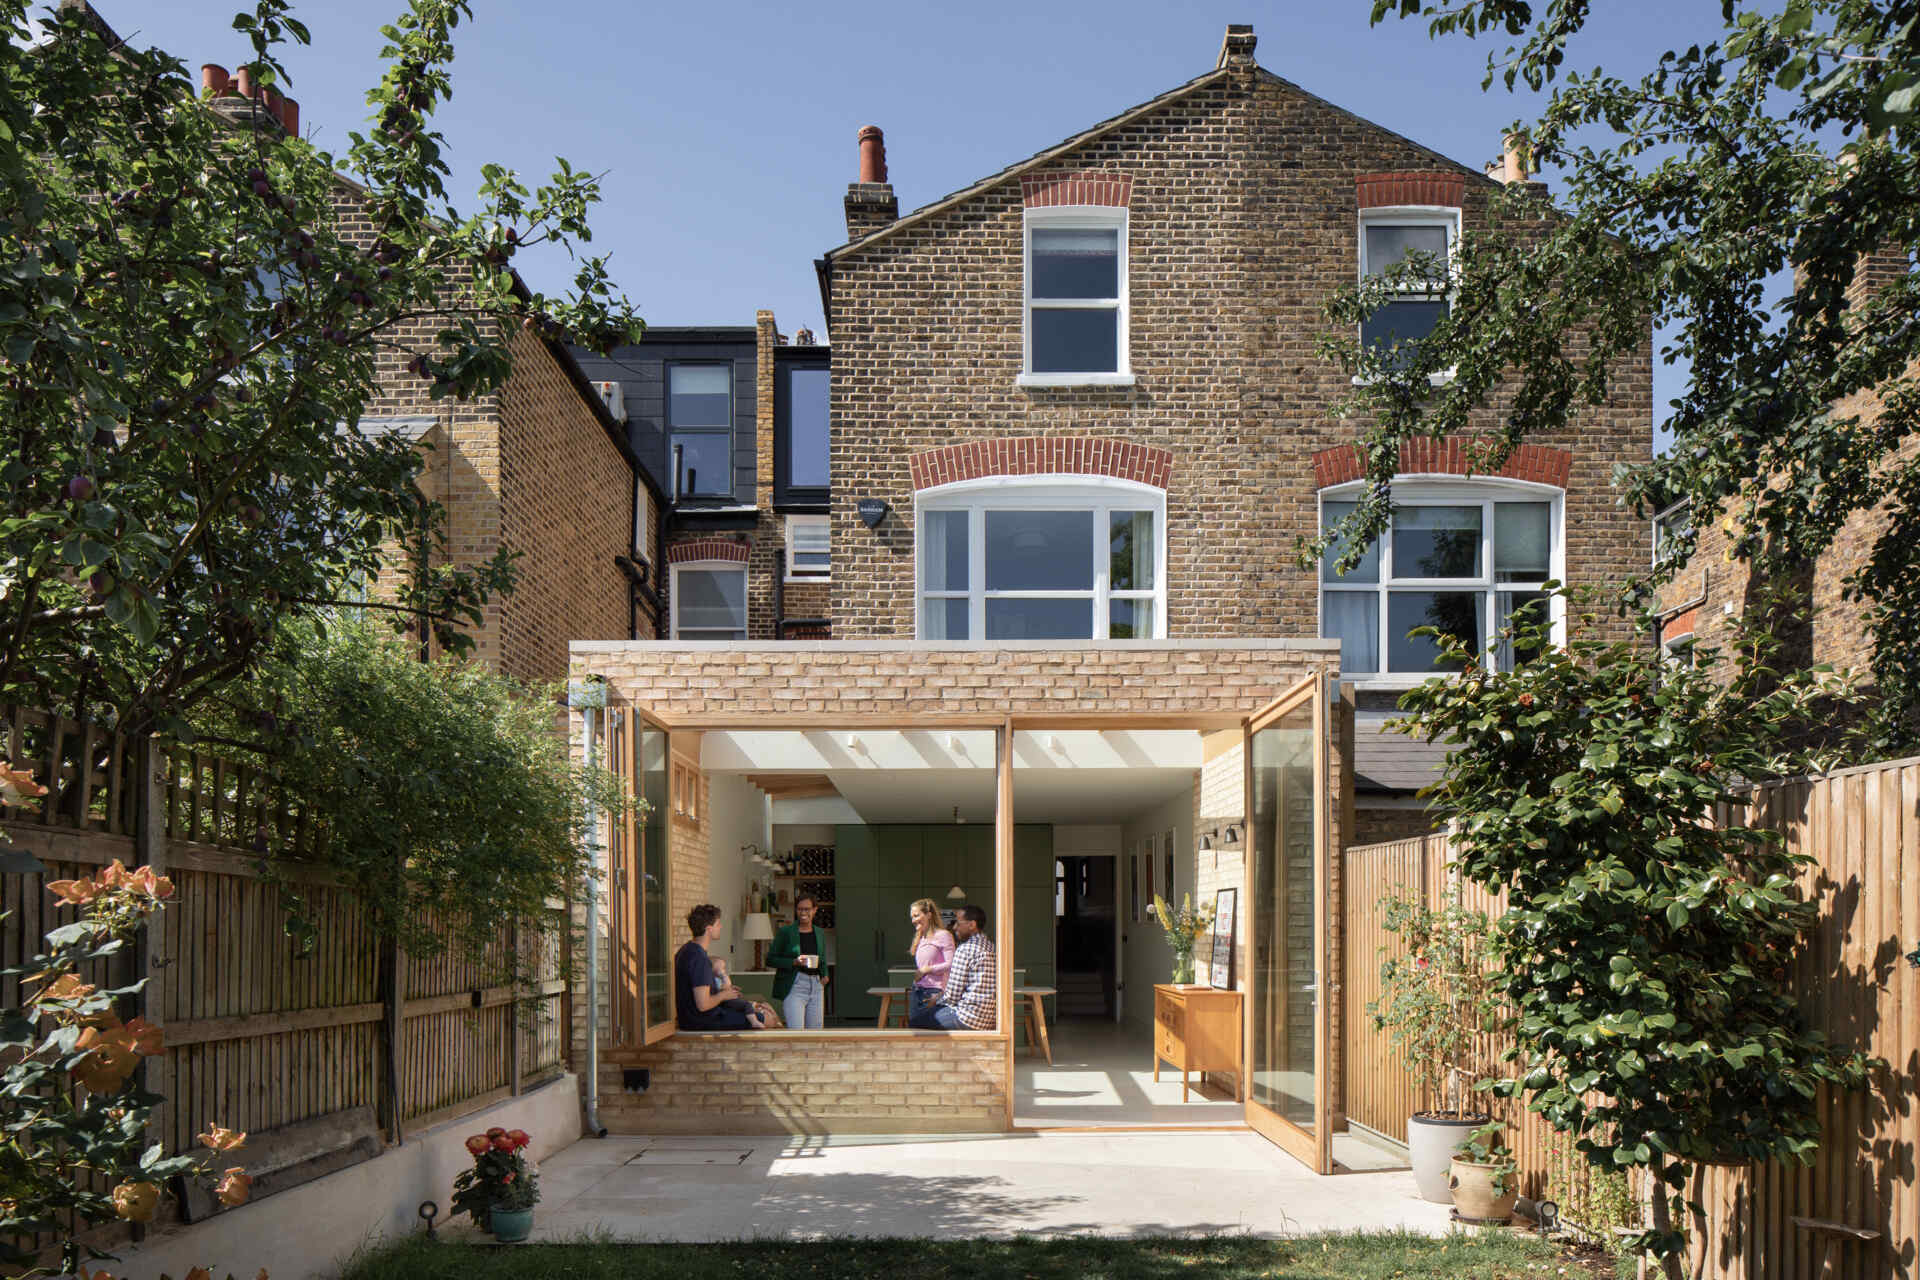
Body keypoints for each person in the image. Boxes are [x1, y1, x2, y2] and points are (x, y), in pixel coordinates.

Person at [674, 904, 768, 1030]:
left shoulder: (686, 950)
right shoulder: (699, 958)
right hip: (701, 1021)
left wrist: (723, 991)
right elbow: (703, 1004)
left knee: (757, 1009)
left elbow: (697, 991)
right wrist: (723, 995)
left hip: (691, 1018)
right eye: (718, 924)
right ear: (709, 929)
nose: (721, 927)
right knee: (765, 1018)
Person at [908, 904, 995, 1031]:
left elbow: (952, 995)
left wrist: (935, 1000)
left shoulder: (965, 949)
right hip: (989, 1018)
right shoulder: (991, 947)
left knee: (915, 1022)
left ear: (972, 925)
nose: (954, 927)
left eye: (958, 923)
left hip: (968, 1017)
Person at [767, 893, 832, 1029]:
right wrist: (794, 962)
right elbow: (770, 959)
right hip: (794, 985)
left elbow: (822, 959)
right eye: (800, 909)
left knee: (815, 1033)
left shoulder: (819, 932)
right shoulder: (786, 932)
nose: (803, 912)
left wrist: (825, 974)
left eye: (807, 909)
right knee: (796, 1031)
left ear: (814, 910)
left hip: (816, 986)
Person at [905, 897, 955, 1025]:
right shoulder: (920, 937)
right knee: (915, 1031)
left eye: (916, 915)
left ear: (928, 915)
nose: (913, 920)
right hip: (917, 991)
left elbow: (951, 964)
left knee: (931, 1035)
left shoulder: (943, 935)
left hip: (934, 993)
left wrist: (927, 969)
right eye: (912, 917)